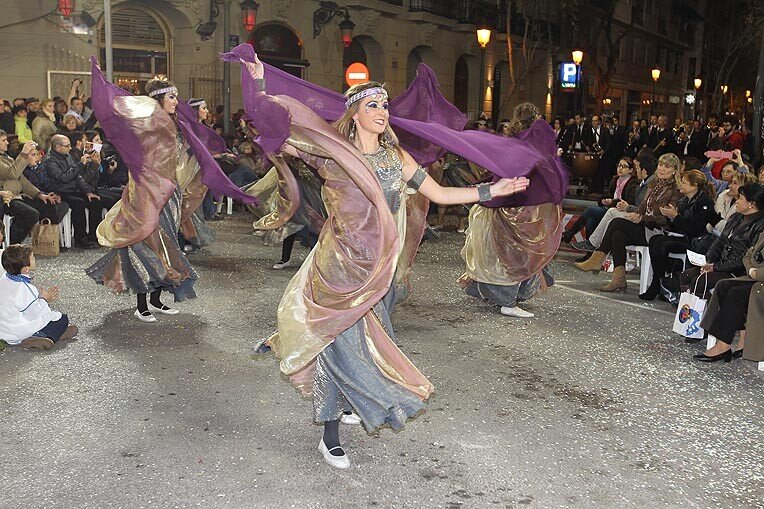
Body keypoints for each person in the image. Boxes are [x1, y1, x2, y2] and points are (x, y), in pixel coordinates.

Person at [230, 47, 536, 469]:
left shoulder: (396, 158)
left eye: (386, 105)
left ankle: (355, 399)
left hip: (378, 268)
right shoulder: (331, 152)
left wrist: (490, 192)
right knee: (338, 343)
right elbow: (274, 123)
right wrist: (259, 79)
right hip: (338, 264)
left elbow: (441, 194)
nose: (382, 110)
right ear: (354, 112)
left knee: (372, 341)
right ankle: (330, 433)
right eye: (373, 104)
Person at [85, 60, 254, 322]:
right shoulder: (147, 126)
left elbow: (190, 155)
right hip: (146, 193)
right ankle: (141, 303)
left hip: (170, 195)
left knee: (167, 245)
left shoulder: (178, 126)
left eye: (176, 97)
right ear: (158, 100)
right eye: (172, 97)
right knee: (144, 244)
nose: (177, 101)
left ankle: (156, 299)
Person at [460, 103, 562, 318]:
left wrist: (488, 191)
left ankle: (506, 296)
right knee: (521, 255)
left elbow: (503, 170)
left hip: (511, 205)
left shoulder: (516, 143)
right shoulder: (536, 145)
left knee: (506, 254)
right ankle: (508, 301)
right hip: (525, 207)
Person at [575, 153, 682, 292]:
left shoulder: (676, 190)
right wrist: (637, 214)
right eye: (660, 165)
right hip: (644, 225)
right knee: (618, 235)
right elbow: (644, 206)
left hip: (657, 231)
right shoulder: (654, 184)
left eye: (667, 166)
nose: (661, 169)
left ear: (674, 170)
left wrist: (642, 218)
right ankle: (618, 279)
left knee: (617, 223)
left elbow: (666, 218)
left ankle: (597, 258)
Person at [638, 169, 719, 300]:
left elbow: (695, 229)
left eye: (684, 182)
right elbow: (676, 227)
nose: (680, 185)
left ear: (694, 186)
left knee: (662, 243)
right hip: (681, 236)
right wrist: (670, 217)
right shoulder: (683, 201)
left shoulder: (704, 202)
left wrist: (675, 216)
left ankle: (659, 283)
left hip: (694, 241)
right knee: (655, 240)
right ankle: (658, 281)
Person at [679, 183, 764, 299]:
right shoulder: (736, 217)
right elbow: (720, 241)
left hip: (739, 271)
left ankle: (707, 311)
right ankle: (688, 309)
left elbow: (746, 257)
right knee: (686, 275)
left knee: (702, 282)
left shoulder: (760, 226)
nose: (737, 201)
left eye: (740, 198)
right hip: (721, 264)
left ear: (751, 204)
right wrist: (708, 260)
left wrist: (716, 267)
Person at [697, 229, 764, 362]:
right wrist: (751, 270)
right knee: (724, 286)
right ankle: (742, 336)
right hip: (755, 277)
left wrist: (758, 273)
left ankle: (723, 344)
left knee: (736, 294)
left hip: (759, 280)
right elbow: (748, 255)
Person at [0, 244, 79, 350]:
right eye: (32, 257)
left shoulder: (4, 278)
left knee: (55, 320)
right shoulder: (25, 288)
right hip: (18, 332)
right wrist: (45, 299)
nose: (34, 258)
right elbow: (38, 313)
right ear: (26, 269)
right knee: (61, 319)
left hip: (3, 330)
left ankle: (56, 334)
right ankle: (42, 335)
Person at [42, 134, 103, 249]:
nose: (70, 148)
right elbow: (63, 178)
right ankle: (80, 238)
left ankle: (94, 235)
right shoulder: (50, 161)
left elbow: (77, 177)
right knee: (78, 203)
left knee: (95, 201)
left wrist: (87, 191)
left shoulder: (67, 156)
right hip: (59, 191)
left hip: (73, 189)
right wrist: (80, 165)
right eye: (67, 146)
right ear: (57, 147)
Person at [0, 132, 62, 243]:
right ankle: (12, 243)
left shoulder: (7, 158)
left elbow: (22, 180)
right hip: (8, 199)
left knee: (47, 204)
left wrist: (39, 194)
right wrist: (23, 154)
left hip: (19, 196)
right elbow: (12, 173)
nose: (7, 142)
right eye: (3, 140)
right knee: (31, 214)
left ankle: (50, 242)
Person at [563, 156, 638, 243]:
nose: (620, 168)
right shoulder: (615, 180)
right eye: (619, 165)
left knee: (590, 210)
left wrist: (612, 202)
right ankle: (590, 251)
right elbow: (608, 195)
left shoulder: (633, 184)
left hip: (619, 211)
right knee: (590, 221)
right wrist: (603, 200)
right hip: (609, 208)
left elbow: (628, 202)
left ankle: (571, 233)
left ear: (631, 170)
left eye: (624, 166)